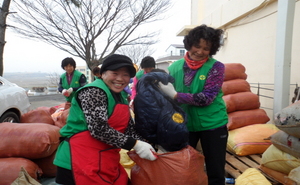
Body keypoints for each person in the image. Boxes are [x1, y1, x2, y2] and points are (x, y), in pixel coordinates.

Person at [54, 54, 157, 185]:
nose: (120, 79)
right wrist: (135, 145)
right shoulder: (93, 91)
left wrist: (151, 143)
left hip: (105, 157)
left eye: (125, 75)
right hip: (78, 159)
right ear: (102, 74)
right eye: (115, 73)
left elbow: (129, 129)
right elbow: (98, 129)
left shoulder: (120, 96)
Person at [158, 24, 228, 185]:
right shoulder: (174, 68)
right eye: (197, 46)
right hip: (185, 124)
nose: (200, 51)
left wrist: (176, 95)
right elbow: (165, 98)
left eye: (206, 48)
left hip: (213, 123)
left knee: (215, 169)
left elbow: (207, 98)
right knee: (183, 166)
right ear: (189, 44)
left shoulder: (216, 67)